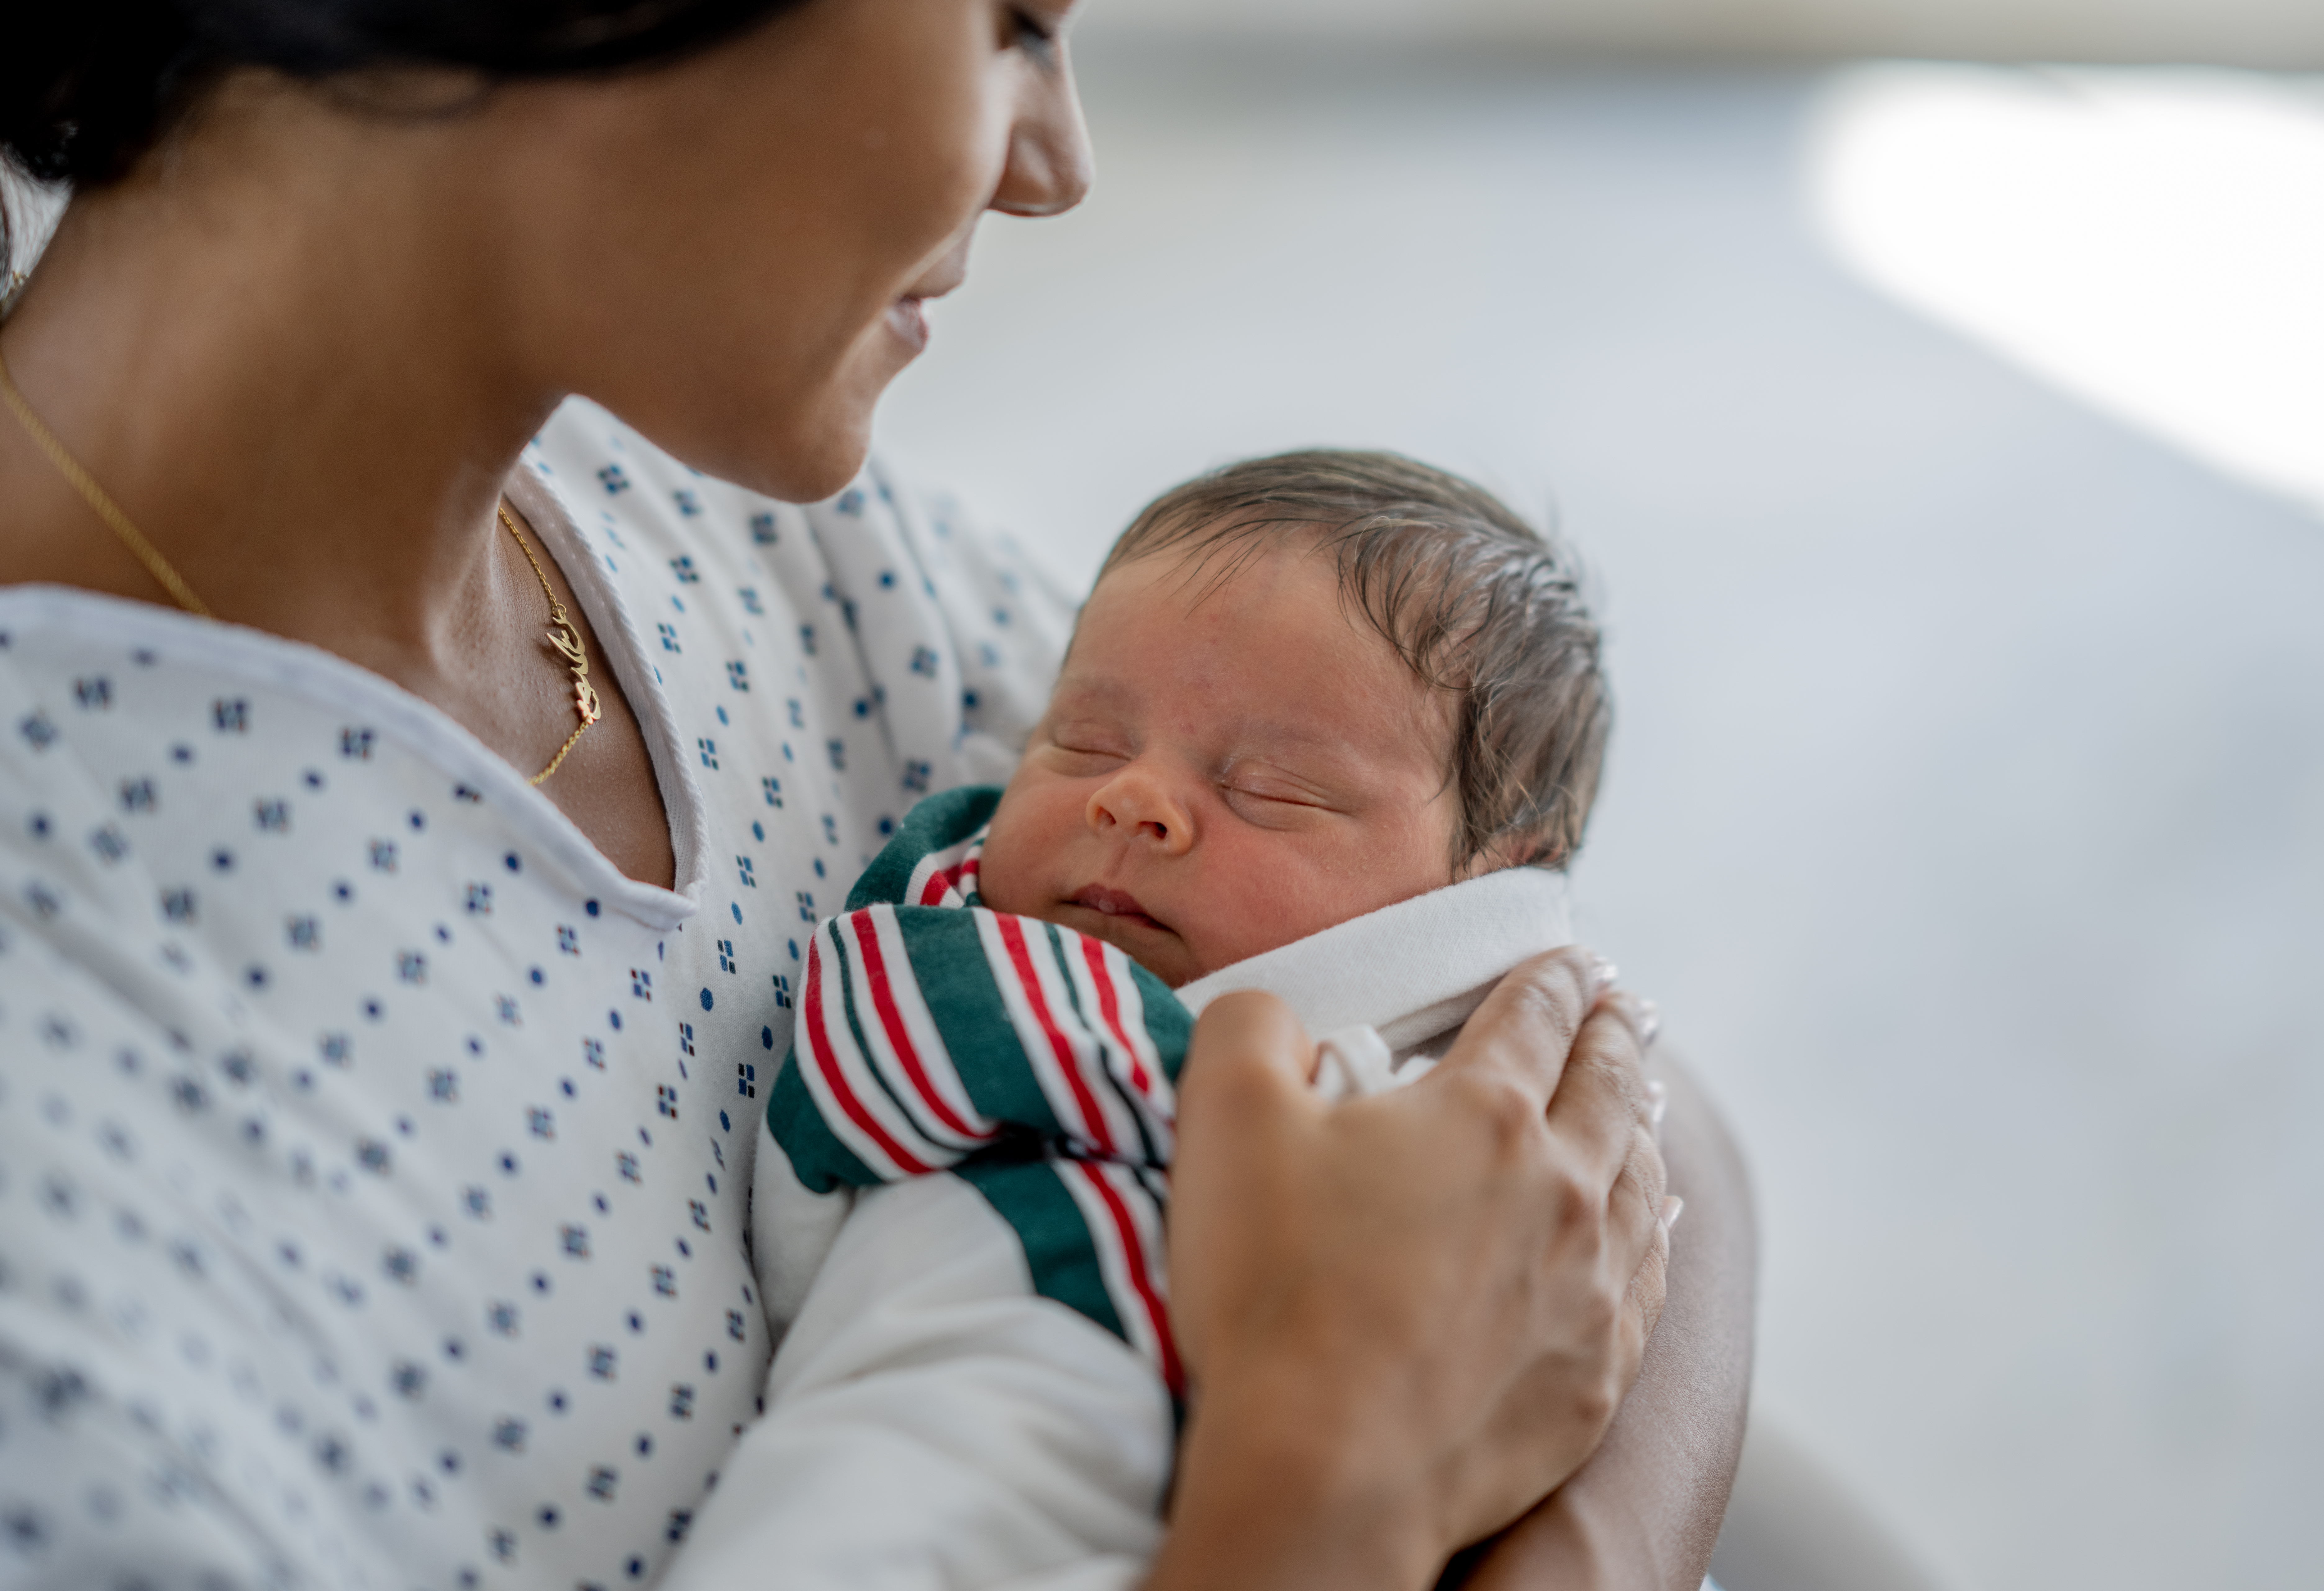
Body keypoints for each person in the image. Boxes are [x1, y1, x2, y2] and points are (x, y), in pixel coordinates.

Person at [0, 3, 1753, 1589]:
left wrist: (1578, 1552)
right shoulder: (69, 1208)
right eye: (1009, 23)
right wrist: (1334, 1494)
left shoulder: (725, 529)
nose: (1058, 162)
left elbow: (1581, 1057)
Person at [665, 448, 1675, 1590]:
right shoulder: (966, 972)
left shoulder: (1521, 1032)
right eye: (1081, 742)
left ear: (1489, 887)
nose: (1128, 795)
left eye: (1271, 790)